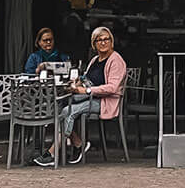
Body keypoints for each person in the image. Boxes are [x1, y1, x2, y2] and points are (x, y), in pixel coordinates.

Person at [43, 25, 126, 166]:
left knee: (69, 110)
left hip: (105, 101)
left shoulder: (116, 60)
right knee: (60, 102)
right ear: (94, 44)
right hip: (92, 96)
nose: (103, 42)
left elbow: (112, 88)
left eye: (107, 39)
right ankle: (78, 143)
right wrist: (77, 82)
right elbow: (86, 78)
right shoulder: (95, 60)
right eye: (99, 40)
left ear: (112, 42)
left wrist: (86, 91)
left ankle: (53, 152)